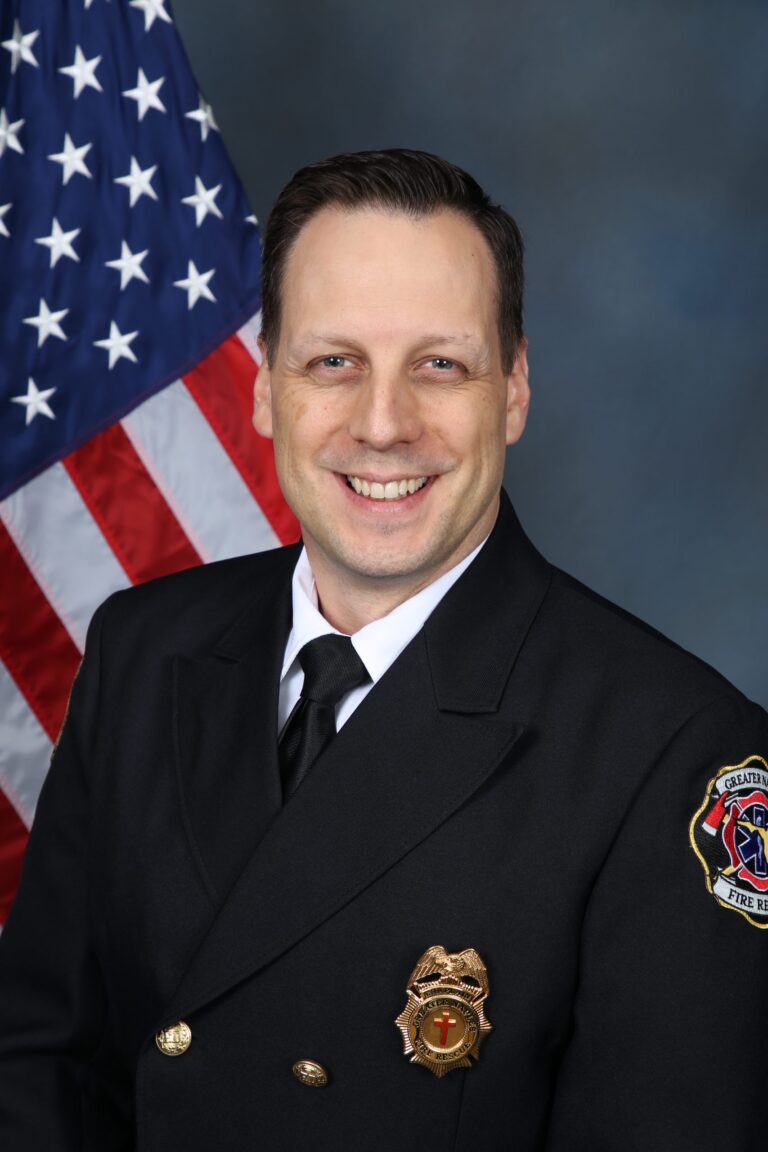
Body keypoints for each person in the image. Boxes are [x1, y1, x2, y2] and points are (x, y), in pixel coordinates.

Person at [0, 149, 766, 1152]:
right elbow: (38, 1063)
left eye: (439, 364)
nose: (383, 424)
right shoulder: (144, 649)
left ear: (515, 389)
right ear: (265, 386)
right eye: (334, 362)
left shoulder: (676, 754)